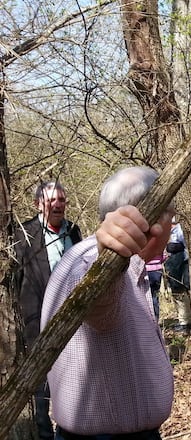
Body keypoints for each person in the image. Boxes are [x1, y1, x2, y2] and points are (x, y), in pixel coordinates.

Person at [40, 166, 175, 439]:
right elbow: (99, 305)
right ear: (153, 218)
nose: (174, 227)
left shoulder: (124, 263)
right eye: (173, 217)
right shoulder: (94, 261)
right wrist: (108, 260)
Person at [13, 181, 82, 440]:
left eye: (62, 200)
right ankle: (43, 434)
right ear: (38, 204)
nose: (58, 205)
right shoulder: (24, 233)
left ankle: (71, 428)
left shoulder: (73, 231)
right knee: (40, 386)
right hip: (36, 321)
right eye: (51, 200)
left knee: (73, 380)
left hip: (72, 320)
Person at [164, 217, 191, 333]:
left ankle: (186, 322)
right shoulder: (167, 233)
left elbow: (187, 249)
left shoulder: (179, 230)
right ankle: (183, 320)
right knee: (176, 291)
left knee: (181, 291)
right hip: (172, 266)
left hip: (181, 266)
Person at [146, 251, 165, 322]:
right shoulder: (159, 241)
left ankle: (149, 320)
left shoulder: (144, 243)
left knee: (146, 296)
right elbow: (164, 256)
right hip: (157, 271)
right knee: (155, 296)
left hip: (146, 270)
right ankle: (155, 319)